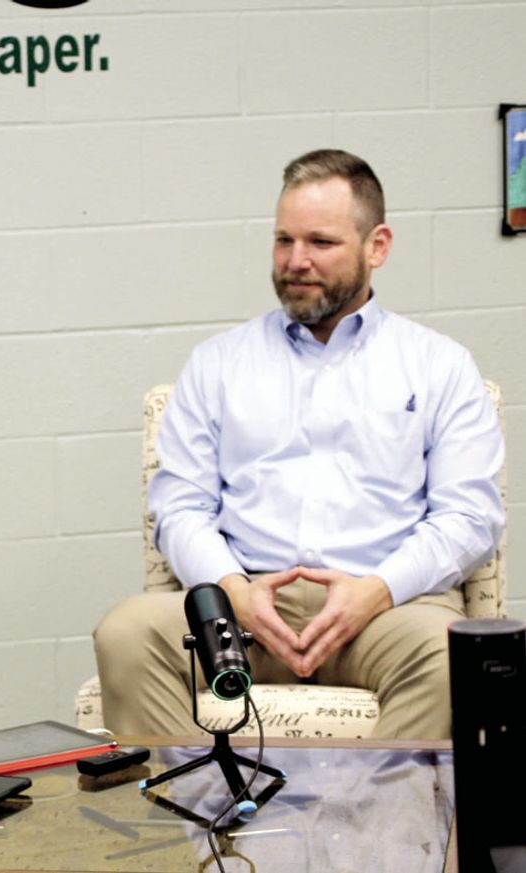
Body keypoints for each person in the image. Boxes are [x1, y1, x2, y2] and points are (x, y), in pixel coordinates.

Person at [93, 149, 505, 739]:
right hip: (247, 609)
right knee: (127, 632)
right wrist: (234, 590)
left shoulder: (439, 366)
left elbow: (469, 515)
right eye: (283, 240)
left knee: (448, 657)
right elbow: (179, 507)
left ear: (377, 246)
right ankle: (193, 823)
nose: (296, 261)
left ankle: (383, 830)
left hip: (389, 610)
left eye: (320, 242)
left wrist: (378, 590)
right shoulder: (219, 364)